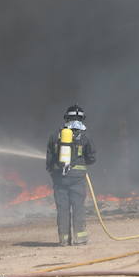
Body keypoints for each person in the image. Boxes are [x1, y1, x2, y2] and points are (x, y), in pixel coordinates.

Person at [46, 104, 96, 245]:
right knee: (78, 207)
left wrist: (55, 174)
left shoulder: (55, 135)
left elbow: (49, 160)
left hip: (59, 180)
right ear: (82, 118)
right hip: (78, 179)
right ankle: (80, 239)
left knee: (62, 209)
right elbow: (92, 158)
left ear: (66, 118)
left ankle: (64, 240)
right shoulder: (85, 136)